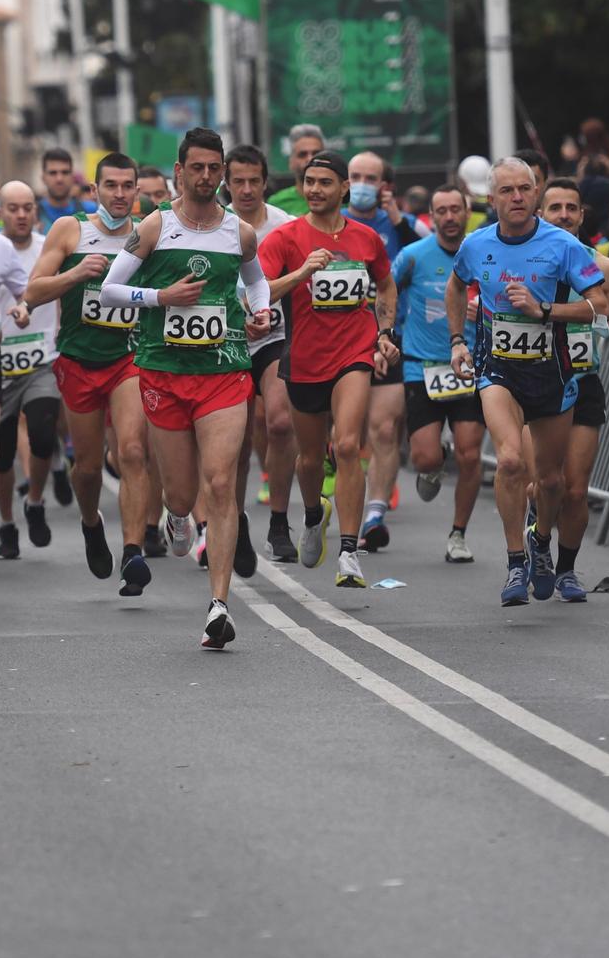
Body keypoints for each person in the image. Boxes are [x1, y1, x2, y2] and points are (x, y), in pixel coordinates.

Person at [98, 128, 273, 649]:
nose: (205, 177)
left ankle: (219, 605)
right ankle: (176, 518)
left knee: (220, 485)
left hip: (224, 371)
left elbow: (256, 280)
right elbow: (109, 289)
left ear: (221, 171)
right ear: (179, 171)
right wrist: (161, 296)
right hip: (164, 375)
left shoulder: (239, 233)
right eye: (195, 168)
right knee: (179, 492)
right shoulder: (155, 227)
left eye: (212, 169)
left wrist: (259, 310)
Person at [447, 157, 609, 607]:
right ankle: (516, 560)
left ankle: (542, 544)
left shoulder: (562, 246)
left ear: (535, 193)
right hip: (497, 369)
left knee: (553, 482)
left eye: (525, 189)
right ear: (491, 198)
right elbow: (456, 285)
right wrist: (458, 341)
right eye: (507, 191)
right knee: (507, 462)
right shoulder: (476, 244)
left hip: (553, 374)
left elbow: (598, 306)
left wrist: (543, 310)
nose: (517, 197)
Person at [259, 150, 398, 588]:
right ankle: (315, 514)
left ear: (343, 188)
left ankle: (350, 552)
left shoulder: (366, 239)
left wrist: (384, 332)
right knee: (309, 458)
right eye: (309, 182)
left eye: (324, 182)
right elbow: (257, 292)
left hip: (354, 353)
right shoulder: (285, 238)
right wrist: (301, 273)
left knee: (349, 444)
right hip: (304, 359)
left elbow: (386, 283)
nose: (315, 190)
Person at [26, 152, 157, 596]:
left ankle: (133, 552)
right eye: (111, 186)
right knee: (86, 467)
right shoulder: (71, 230)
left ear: (136, 192)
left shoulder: (149, 232)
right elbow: (34, 290)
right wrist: (76, 273)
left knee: (133, 451)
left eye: (127, 186)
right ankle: (90, 522)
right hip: (79, 360)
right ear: (95, 190)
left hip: (129, 360)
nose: (119, 194)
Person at [537, 177, 609, 571]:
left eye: (571, 208)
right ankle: (538, 540)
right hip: (535, 384)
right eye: (555, 207)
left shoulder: (604, 267)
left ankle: (565, 571)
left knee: (576, 490)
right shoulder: (526, 263)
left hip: (583, 382)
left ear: (581, 214)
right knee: (545, 484)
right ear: (540, 214)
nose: (564, 215)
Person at [393, 182, 485, 563]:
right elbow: (385, 291)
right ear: (432, 216)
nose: (449, 218)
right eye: (441, 211)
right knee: (427, 458)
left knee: (470, 454)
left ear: (466, 213)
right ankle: (434, 460)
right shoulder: (413, 256)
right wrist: (385, 334)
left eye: (455, 210)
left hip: (472, 367)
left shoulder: (484, 254)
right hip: (422, 366)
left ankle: (458, 534)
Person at [224, 144, 299, 562]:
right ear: (226, 183)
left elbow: (299, 282)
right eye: (239, 181)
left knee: (281, 422)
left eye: (255, 180)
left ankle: (278, 520)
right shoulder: (214, 225)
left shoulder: (285, 226)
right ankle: (235, 524)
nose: (248, 189)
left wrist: (266, 307)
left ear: (265, 181)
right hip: (227, 340)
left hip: (274, 336)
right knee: (235, 441)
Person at [344, 149, 419, 552]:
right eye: (355, 176)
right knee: (344, 435)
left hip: (390, 335)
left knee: (385, 428)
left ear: (384, 186)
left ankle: (374, 514)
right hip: (338, 340)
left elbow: (434, 255)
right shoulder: (330, 224)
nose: (361, 185)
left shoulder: (401, 226)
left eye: (370, 178)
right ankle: (333, 501)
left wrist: (396, 222)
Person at [0, 180, 62, 557]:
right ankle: (6, 524)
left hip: (42, 360)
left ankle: (34, 500)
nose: (21, 215)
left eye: (27, 207)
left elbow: (62, 294)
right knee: (1, 456)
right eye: (13, 208)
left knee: (43, 433)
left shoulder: (48, 247)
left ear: (36, 211)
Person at [268, 123, 326, 215]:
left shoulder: (340, 200)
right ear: (291, 162)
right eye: (302, 154)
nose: (310, 159)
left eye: (316, 153)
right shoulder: (276, 204)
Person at [37, 147, 93, 230]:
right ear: (43, 178)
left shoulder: (90, 211)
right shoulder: (34, 215)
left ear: (72, 176)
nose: (59, 178)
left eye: (65, 172)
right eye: (53, 173)